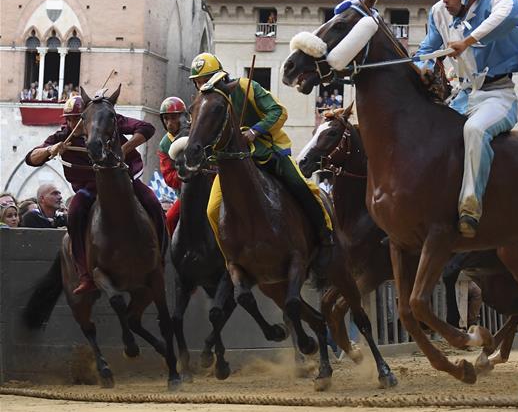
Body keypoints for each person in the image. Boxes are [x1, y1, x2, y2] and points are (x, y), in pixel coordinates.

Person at [414, 0, 518, 238]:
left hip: (498, 95)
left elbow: (510, 14)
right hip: (462, 95)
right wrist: (424, 67)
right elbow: (427, 49)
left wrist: (467, 40)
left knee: (474, 130)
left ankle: (470, 209)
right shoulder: (438, 13)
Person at [188, 53, 334, 266]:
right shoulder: (203, 102)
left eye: (204, 80)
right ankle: (229, 260)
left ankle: (325, 237)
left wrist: (254, 132)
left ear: (217, 77)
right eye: (198, 82)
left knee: (299, 185)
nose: (201, 85)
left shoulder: (246, 86)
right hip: (232, 162)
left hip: (268, 150)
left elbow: (279, 112)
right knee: (212, 209)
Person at [25, 95, 166, 294]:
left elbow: (146, 128)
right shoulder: (64, 135)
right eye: (69, 119)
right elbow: (31, 158)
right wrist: (50, 150)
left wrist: (125, 148)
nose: (71, 123)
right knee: (74, 212)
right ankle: (84, 273)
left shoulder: (107, 122)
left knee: (152, 202)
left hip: (122, 181)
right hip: (90, 188)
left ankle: (160, 257)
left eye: (76, 119)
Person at [157, 96, 188, 236]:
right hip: (185, 193)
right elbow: (169, 177)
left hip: (210, 185)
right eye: (166, 119)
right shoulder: (164, 145)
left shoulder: (197, 131)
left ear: (183, 117)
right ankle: (170, 255)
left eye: (174, 118)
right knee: (169, 219)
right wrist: (186, 173)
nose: (169, 123)